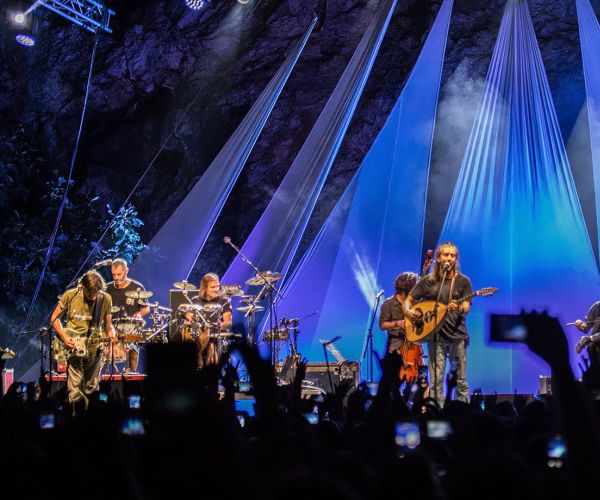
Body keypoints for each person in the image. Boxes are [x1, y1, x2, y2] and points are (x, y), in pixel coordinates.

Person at [404, 242, 472, 406]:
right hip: (435, 337)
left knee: (460, 381)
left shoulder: (463, 281)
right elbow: (409, 300)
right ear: (439, 258)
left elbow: (466, 306)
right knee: (436, 381)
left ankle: (461, 415)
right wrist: (408, 311)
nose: (449, 258)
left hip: (457, 337)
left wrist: (460, 308)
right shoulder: (429, 281)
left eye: (453, 255)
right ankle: (437, 414)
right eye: (446, 255)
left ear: (456, 259)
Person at [50, 270, 117, 413]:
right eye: (89, 293)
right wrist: (64, 337)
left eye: (96, 293)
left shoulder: (105, 299)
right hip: (73, 347)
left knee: (92, 388)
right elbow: (54, 318)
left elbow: (108, 325)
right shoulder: (71, 295)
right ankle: (75, 422)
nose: (93, 297)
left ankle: (90, 422)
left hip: (94, 348)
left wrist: (112, 334)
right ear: (82, 287)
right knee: (75, 388)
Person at [106, 258, 150, 373]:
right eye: (113, 275)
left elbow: (146, 308)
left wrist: (139, 314)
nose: (116, 278)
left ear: (126, 271)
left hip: (131, 328)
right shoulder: (107, 289)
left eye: (119, 274)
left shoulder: (137, 287)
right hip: (112, 327)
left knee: (134, 340)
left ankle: (131, 372)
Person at [182, 273, 232, 367]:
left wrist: (212, 327)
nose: (216, 289)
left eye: (217, 286)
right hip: (198, 337)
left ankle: (212, 372)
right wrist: (189, 321)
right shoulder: (195, 300)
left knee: (211, 344)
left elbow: (228, 323)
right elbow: (188, 319)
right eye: (212, 287)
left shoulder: (223, 301)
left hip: (215, 336)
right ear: (205, 288)